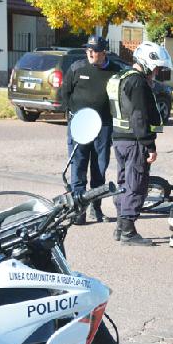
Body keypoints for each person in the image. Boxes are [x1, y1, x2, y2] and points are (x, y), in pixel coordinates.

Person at [108, 41, 172, 245]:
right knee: (136, 185)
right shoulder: (137, 82)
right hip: (135, 142)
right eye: (156, 68)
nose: (156, 72)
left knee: (123, 184)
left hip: (120, 139)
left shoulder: (120, 77)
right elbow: (139, 116)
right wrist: (149, 145)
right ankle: (128, 231)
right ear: (146, 62)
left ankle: (120, 226)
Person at [61, 35, 117, 224]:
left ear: (104, 52)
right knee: (78, 167)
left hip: (104, 126)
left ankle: (96, 208)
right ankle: (79, 210)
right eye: (88, 50)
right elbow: (65, 92)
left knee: (99, 168)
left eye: (95, 50)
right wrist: (72, 115)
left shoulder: (115, 71)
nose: (90, 53)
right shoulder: (77, 67)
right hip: (80, 125)